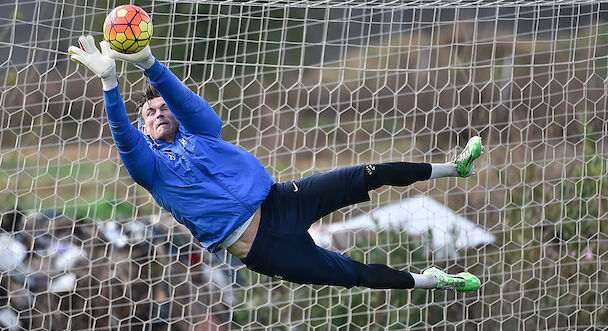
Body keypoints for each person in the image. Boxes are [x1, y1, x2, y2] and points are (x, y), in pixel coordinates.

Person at [69, 35, 482, 292]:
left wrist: (148, 64)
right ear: (144, 126)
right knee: (354, 274)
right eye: (150, 113)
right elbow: (124, 138)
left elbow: (189, 105)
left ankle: (454, 168)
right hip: (266, 248)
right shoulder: (149, 170)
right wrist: (110, 82)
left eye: (164, 108)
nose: (159, 113)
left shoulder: (201, 131)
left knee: (365, 175)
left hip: (283, 201)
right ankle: (433, 280)